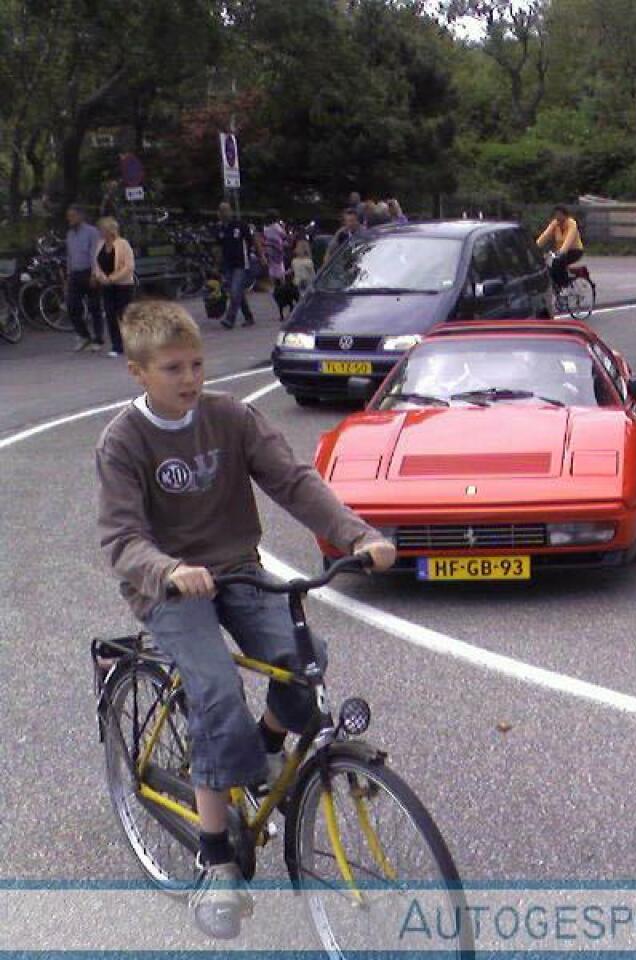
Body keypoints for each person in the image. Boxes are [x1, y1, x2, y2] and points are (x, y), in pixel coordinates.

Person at [95, 299, 396, 939]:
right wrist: (168, 569)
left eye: (197, 364)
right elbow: (120, 538)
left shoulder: (232, 418)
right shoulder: (123, 441)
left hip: (237, 568)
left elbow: (292, 481)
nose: (190, 378)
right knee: (215, 690)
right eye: (173, 368)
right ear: (138, 373)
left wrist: (356, 534)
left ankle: (257, 750)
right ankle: (215, 854)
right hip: (168, 587)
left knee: (304, 657)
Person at [91, 216, 136, 357]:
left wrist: (113, 278)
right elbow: (96, 263)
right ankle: (117, 345)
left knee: (124, 315)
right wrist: (101, 277)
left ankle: (132, 344)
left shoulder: (123, 244)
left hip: (123, 285)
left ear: (110, 230)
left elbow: (129, 266)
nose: (100, 233)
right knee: (110, 314)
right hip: (107, 285)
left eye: (102, 230)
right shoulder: (100, 244)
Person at [65, 204, 106, 352]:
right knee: (72, 306)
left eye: (73, 216)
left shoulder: (92, 232)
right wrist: (68, 274)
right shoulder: (70, 234)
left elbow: (95, 253)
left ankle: (98, 338)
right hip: (76, 273)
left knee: (95, 306)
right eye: (69, 216)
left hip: (89, 271)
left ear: (81, 216)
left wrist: (95, 273)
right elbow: (69, 255)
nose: (70, 219)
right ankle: (84, 335)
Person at [214, 202, 261, 329]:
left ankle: (230, 319)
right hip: (228, 265)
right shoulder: (219, 228)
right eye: (221, 211)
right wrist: (217, 265)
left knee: (235, 291)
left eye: (226, 210)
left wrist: (261, 256)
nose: (224, 213)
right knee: (237, 292)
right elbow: (218, 247)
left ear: (231, 211)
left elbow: (254, 240)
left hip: (242, 263)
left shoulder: (240, 226)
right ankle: (249, 317)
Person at [536, 204, 584, 289]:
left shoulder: (571, 223)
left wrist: (562, 251)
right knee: (549, 265)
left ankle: (564, 286)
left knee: (558, 263)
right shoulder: (555, 223)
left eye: (559, 214)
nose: (557, 217)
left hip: (575, 250)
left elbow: (569, 238)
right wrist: (534, 248)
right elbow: (545, 235)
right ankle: (557, 286)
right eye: (556, 215)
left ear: (565, 215)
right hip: (560, 251)